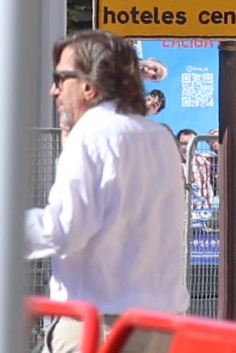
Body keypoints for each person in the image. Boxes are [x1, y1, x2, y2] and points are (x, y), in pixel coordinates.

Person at [26, 31, 191, 322]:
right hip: (162, 323)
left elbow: (64, 230)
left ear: (88, 87)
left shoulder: (92, 135)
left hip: (98, 326)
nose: (54, 90)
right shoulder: (160, 138)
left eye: (62, 78)